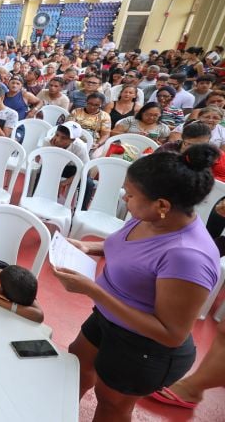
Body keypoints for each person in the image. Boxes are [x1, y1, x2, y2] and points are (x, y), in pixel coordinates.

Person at [53, 145, 221, 422]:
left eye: (130, 195)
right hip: (108, 319)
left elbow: (171, 333)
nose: (124, 198)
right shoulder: (150, 218)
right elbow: (129, 249)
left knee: (111, 405)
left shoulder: (187, 256)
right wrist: (88, 247)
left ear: (162, 205)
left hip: (144, 347)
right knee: (75, 367)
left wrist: (92, 290)